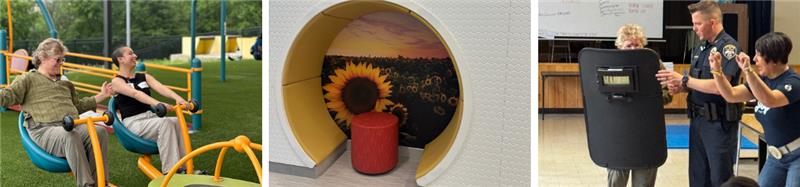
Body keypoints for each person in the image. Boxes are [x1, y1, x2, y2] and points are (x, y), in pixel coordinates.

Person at [0, 38, 113, 187]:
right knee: (69, 136)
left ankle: (100, 183)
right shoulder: (28, 79)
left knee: (99, 132)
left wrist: (101, 96)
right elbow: (6, 97)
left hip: (72, 124)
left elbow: (77, 106)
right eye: (57, 59)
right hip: (44, 129)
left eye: (63, 59)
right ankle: (86, 185)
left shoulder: (65, 83)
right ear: (42, 57)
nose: (61, 63)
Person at [655, 1, 743, 186]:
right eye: (693, 24)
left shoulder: (728, 48)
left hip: (719, 123)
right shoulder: (701, 48)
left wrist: (685, 80)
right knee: (698, 176)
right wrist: (681, 87)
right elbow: (697, 82)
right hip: (698, 120)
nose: (694, 28)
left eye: (698, 24)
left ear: (713, 22)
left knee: (720, 178)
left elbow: (721, 87)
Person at [709, 32, 800, 187]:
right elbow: (730, 95)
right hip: (775, 156)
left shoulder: (793, 82)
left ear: (773, 59)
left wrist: (748, 71)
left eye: (759, 55)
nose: (754, 59)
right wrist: (717, 71)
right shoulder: (762, 80)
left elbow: (770, 100)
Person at [606, 24, 672, 187]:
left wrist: (649, 102)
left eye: (637, 45)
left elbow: (668, 93)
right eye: (629, 45)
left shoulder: (654, 63)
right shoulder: (609, 65)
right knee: (616, 180)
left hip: (647, 131)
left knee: (644, 181)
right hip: (619, 131)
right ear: (620, 46)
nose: (634, 48)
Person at [109, 46, 191, 174]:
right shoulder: (116, 81)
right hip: (133, 123)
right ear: (121, 59)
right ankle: (171, 172)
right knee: (165, 123)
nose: (135, 56)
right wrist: (158, 103)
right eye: (130, 54)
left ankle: (186, 168)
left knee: (176, 121)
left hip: (150, 119)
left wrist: (180, 100)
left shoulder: (144, 77)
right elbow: (136, 94)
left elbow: (161, 88)